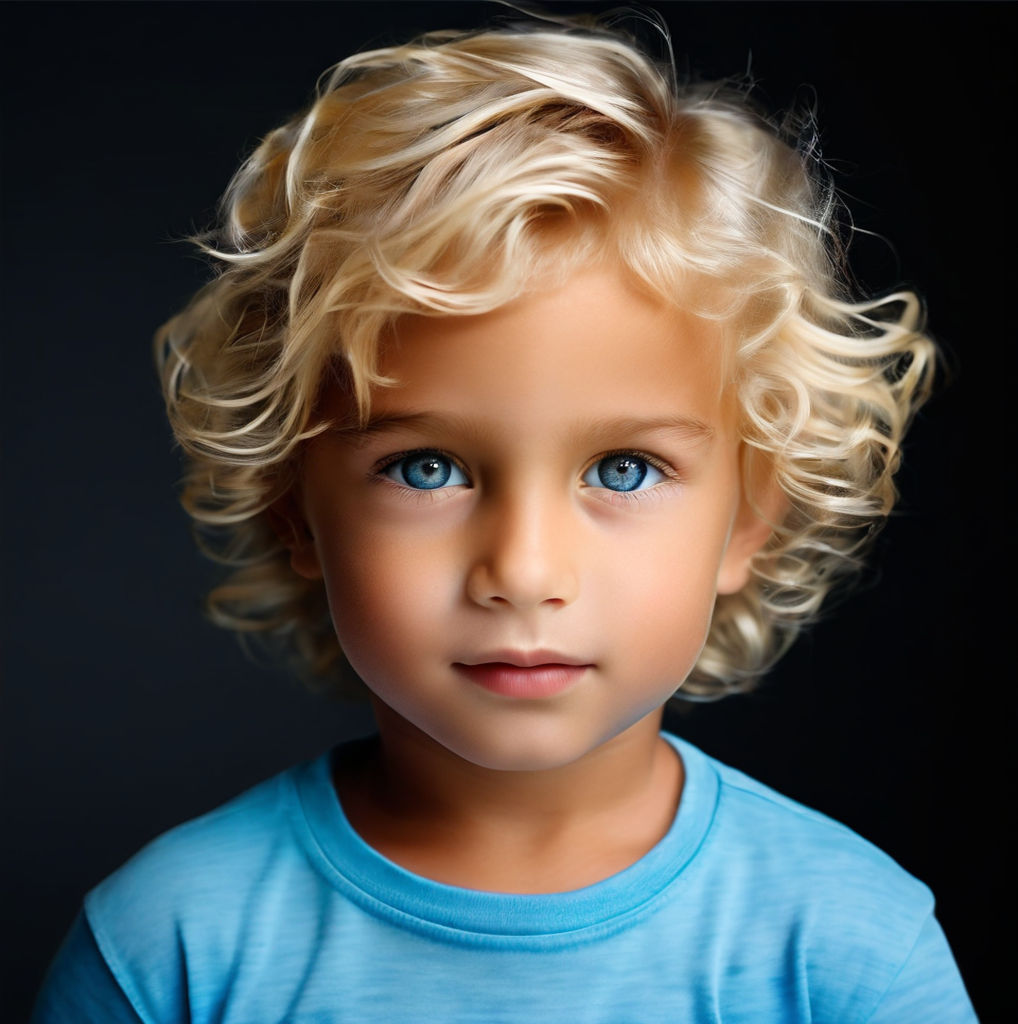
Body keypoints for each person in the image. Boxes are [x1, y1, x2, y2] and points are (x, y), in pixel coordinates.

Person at [31, 9, 978, 1022]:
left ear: (749, 520)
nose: (523, 570)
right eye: (426, 467)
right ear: (294, 510)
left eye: (622, 468)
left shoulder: (849, 950)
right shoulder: (167, 946)